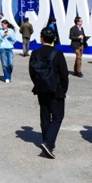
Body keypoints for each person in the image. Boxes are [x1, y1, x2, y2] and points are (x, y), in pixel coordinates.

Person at [29, 27, 69, 159]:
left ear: (41, 38)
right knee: (57, 117)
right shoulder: (58, 54)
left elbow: (32, 72)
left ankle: (46, 140)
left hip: (41, 90)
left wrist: (38, 84)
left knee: (45, 116)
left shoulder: (35, 53)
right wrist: (63, 90)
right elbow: (64, 74)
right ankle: (48, 143)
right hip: (55, 90)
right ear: (53, 40)